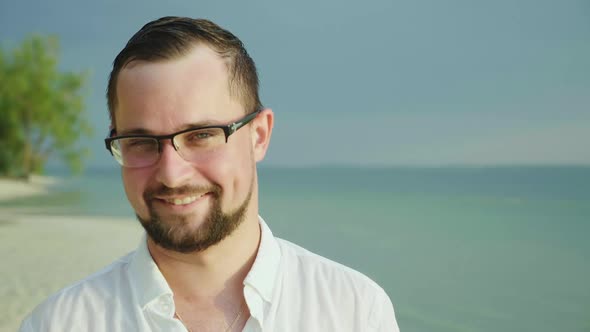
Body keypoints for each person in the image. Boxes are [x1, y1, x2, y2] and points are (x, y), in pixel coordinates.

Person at [19, 16, 400, 332]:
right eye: (140, 141)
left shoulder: (354, 311)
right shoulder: (58, 323)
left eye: (201, 135)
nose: (171, 173)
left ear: (259, 136)